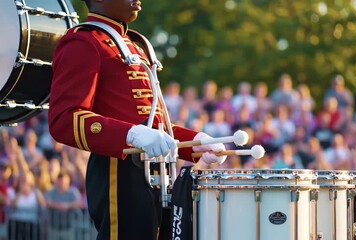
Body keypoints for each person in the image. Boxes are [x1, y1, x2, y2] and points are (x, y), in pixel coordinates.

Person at [48, 1, 226, 239]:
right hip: (119, 172)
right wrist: (129, 135)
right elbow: (64, 119)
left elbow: (153, 126)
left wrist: (196, 142)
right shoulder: (83, 41)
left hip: (161, 171)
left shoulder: (135, 44)